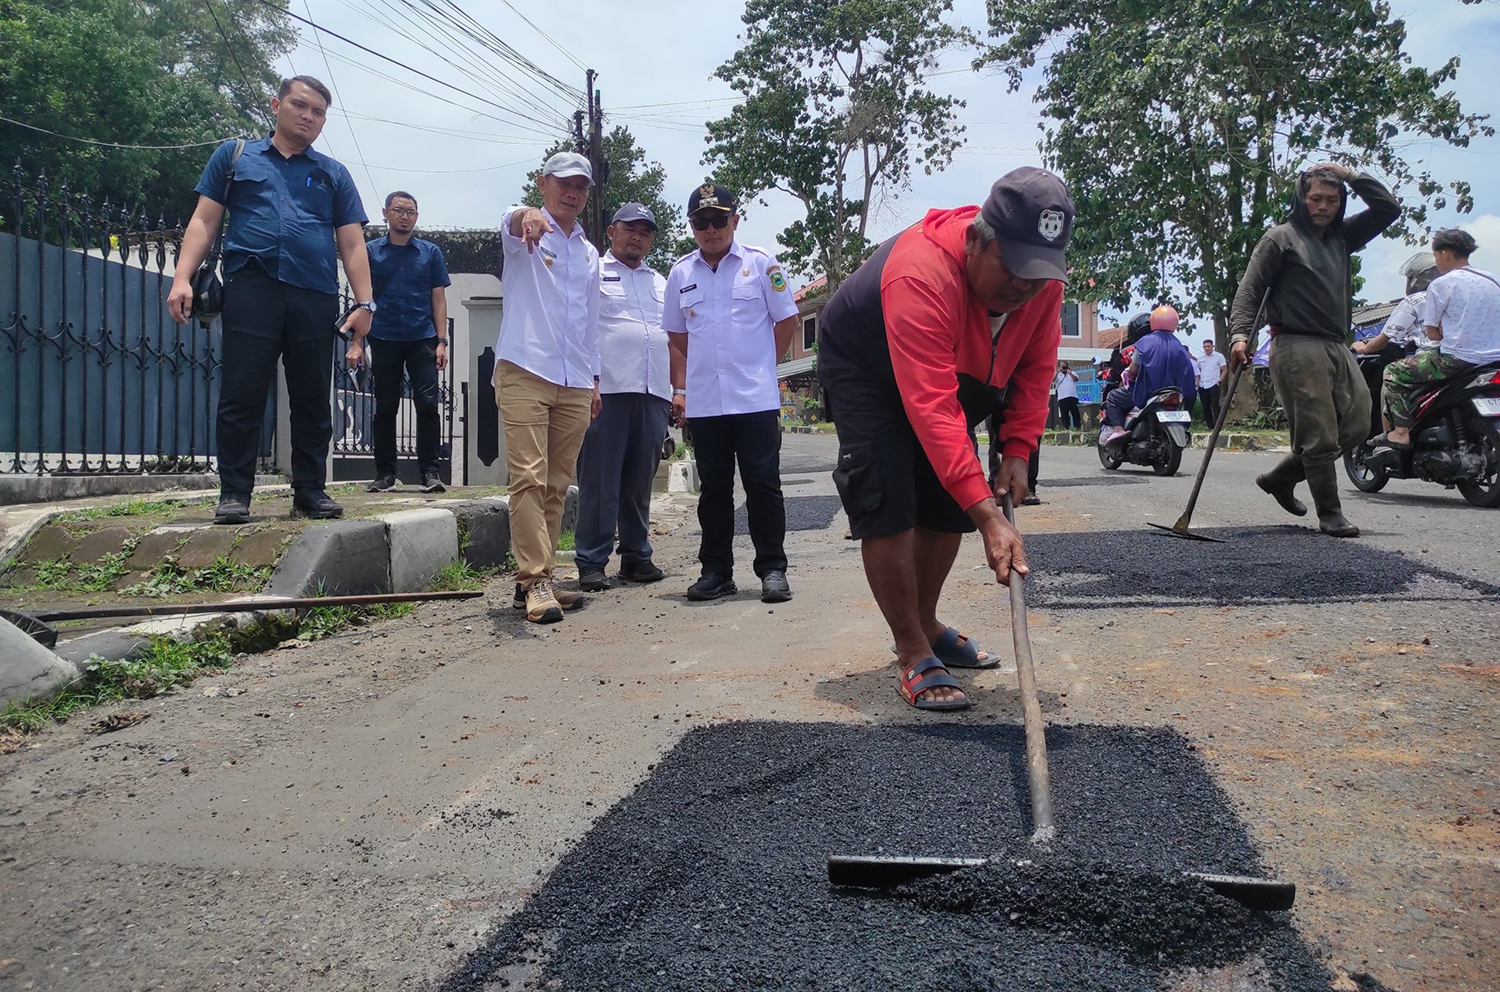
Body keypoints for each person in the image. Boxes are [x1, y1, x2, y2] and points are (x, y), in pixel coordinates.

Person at [817, 166, 1073, 712]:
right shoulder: (921, 273)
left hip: (960, 364)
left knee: (945, 500)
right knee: (886, 495)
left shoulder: (1043, 284)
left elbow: (1036, 367)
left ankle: (927, 623)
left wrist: (1018, 451)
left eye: (1038, 272)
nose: (1023, 287)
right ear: (977, 241)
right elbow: (932, 408)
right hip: (868, 365)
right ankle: (909, 647)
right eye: (1013, 267)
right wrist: (989, 515)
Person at [167, 76, 372, 525]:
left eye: (318, 112)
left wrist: (365, 303)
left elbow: (353, 244)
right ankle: (235, 493)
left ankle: (310, 491)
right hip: (251, 286)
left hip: (314, 293)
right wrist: (182, 277)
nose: (308, 116)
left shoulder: (333, 174)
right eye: (300, 105)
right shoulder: (235, 156)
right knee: (242, 392)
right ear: (276, 105)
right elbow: (205, 219)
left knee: (313, 396)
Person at [1228, 163, 1399, 538]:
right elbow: (1250, 290)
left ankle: (1281, 476)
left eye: (1333, 200)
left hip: (1336, 344)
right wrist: (1241, 335)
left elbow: (1388, 209)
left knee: (1356, 423)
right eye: (1316, 199)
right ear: (1302, 199)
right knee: (1320, 434)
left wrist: (1353, 174)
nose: (1324, 206)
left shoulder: (1342, 237)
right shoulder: (1280, 238)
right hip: (1296, 344)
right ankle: (1330, 514)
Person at [664, 183, 800, 604]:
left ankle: (773, 569)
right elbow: (677, 333)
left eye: (718, 219)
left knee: (763, 485)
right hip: (707, 403)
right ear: (692, 227)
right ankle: (716, 571)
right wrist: (705, 369)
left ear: (734, 221)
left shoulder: (761, 265)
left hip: (754, 399)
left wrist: (761, 366)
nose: (710, 229)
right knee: (715, 490)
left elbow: (787, 322)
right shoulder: (680, 273)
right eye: (701, 222)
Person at [496, 151, 602, 623]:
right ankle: (535, 579)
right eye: (563, 183)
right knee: (528, 478)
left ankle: (537, 584)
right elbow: (513, 218)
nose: (572, 192)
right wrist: (528, 215)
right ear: (543, 183)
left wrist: (594, 379)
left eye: (580, 185)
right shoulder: (524, 232)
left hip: (575, 378)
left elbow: (590, 321)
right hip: (525, 367)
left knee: (558, 485)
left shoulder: (588, 252)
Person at [574, 204, 672, 591]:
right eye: (630, 229)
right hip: (607, 389)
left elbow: (675, 337)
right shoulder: (591, 273)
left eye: (645, 232)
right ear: (612, 231)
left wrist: (677, 391)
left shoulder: (662, 283)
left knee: (639, 480)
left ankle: (635, 556)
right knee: (599, 478)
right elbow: (579, 327)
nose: (637, 237)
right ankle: (592, 560)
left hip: (652, 391)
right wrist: (589, 382)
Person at [358, 191, 452, 494]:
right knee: (385, 406)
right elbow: (363, 299)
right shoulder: (370, 252)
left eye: (411, 211)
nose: (405, 216)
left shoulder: (430, 253)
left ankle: (429, 471)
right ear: (385, 213)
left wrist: (441, 341)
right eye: (399, 210)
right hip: (383, 336)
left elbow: (438, 299)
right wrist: (357, 341)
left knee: (427, 405)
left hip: (422, 338)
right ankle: (385, 473)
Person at [1382, 229, 1500, 448]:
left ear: (1444, 253)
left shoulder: (1442, 284)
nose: (1436, 261)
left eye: (1435, 255)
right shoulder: (1494, 280)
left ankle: (1399, 432)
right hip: (1494, 361)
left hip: (1457, 360)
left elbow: (1432, 333)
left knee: (1393, 372)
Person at [1102, 305, 1196, 441]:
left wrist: (1129, 377)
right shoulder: (1179, 346)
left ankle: (1118, 429)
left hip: (1148, 391)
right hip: (1175, 390)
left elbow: (1133, 371)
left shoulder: (1144, 344)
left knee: (1112, 397)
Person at [1352, 251, 1440, 358]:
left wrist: (1363, 348)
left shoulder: (1414, 301)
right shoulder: (1448, 297)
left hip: (1431, 359)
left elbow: (1383, 339)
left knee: (1391, 371)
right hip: (1458, 358)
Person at [1195, 339, 1227, 426]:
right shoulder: (1200, 358)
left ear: (1213, 346)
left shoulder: (1219, 356)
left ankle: (1218, 424)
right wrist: (1197, 383)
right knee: (1205, 406)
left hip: (1214, 383)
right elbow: (1198, 370)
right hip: (1203, 384)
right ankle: (1210, 425)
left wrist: (1219, 380)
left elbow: (1224, 370)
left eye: (1208, 346)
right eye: (1205, 347)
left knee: (1215, 405)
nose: (1206, 348)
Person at [1054, 361, 1081, 428]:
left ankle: (1077, 426)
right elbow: (1052, 380)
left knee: (1075, 413)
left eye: (1064, 366)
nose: (1063, 368)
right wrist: (1058, 371)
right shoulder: (1058, 374)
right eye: (1062, 366)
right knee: (1064, 414)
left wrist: (1070, 373)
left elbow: (1076, 379)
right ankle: (1066, 427)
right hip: (1062, 397)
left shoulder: (1072, 373)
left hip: (1073, 396)